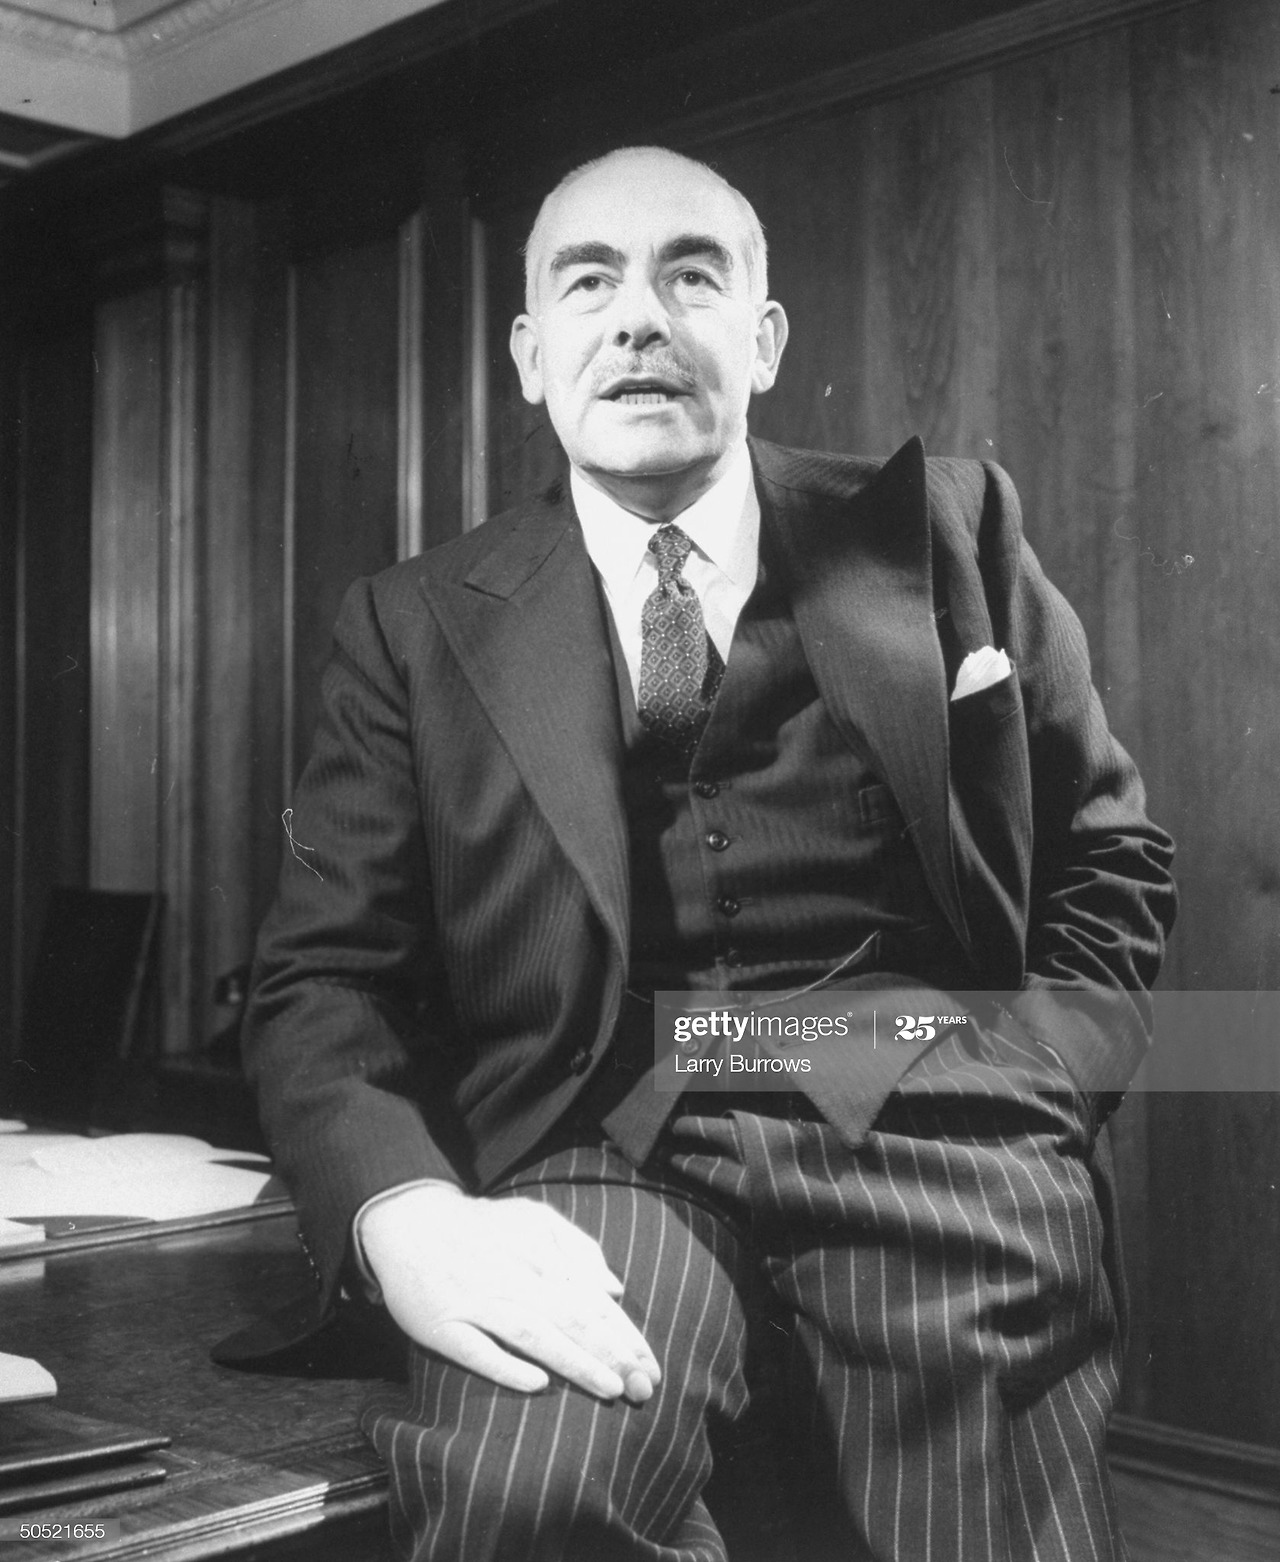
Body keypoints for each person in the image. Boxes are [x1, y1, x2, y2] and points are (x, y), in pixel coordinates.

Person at [244, 145, 1176, 1561]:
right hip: (598, 1133)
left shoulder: (949, 528)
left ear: (765, 336)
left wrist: (1038, 1085)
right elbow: (322, 979)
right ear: (531, 357)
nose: (639, 317)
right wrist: (404, 1212)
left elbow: (1110, 858)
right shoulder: (412, 623)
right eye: (589, 283)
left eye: (690, 275)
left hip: (934, 1107)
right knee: (527, 1494)